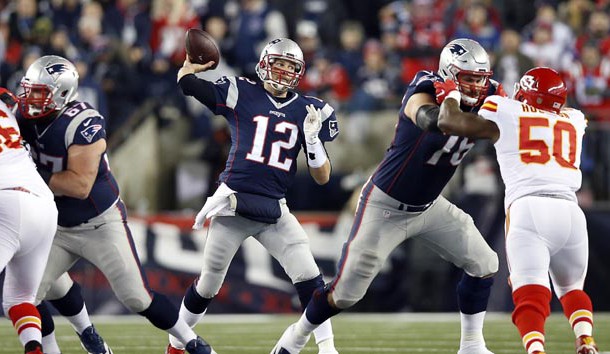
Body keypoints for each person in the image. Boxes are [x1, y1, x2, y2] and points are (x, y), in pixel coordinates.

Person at [271, 38, 500, 354]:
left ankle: (472, 346)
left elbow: (518, 114)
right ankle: (297, 336)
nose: (476, 86)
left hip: (430, 206)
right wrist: (459, 108)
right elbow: (435, 120)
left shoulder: (491, 94)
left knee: (485, 262)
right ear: (448, 74)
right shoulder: (425, 86)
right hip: (386, 205)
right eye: (469, 78)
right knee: (345, 294)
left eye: (480, 78)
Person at [15, 55, 216, 354]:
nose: (30, 99)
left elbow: (79, 186)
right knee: (24, 295)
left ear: (62, 94)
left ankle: (191, 342)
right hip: (55, 223)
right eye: (28, 90)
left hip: (99, 223)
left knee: (137, 298)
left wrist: (27, 172)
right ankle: (78, 338)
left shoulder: (84, 122)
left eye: (39, 93)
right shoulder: (22, 118)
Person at [166, 37, 340, 354]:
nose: (285, 72)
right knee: (208, 284)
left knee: (311, 278)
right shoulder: (241, 91)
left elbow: (322, 177)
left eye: (291, 67)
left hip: (273, 209)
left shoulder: (308, 110)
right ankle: (177, 342)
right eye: (280, 64)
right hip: (233, 203)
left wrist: (313, 143)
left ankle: (327, 348)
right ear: (264, 64)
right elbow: (189, 86)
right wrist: (188, 69)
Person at [434, 67, 600, 354]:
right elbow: (550, 111)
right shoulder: (574, 119)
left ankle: (536, 349)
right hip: (571, 213)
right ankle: (585, 338)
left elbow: (452, 122)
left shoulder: (504, 109)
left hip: (530, 209)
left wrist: (450, 95)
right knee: (573, 290)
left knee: (530, 292)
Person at [0, 88, 57, 354]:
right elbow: (9, 98)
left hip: (7, 202)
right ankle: (35, 349)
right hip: (44, 205)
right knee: (19, 299)